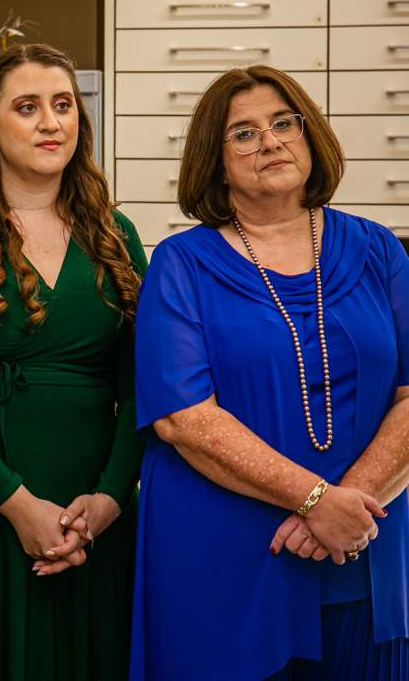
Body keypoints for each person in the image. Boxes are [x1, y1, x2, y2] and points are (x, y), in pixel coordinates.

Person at [132, 65, 409, 680]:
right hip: (227, 554)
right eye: (244, 133)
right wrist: (315, 500)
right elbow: (184, 419)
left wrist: (344, 511)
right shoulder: (181, 264)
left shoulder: (379, 250)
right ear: (214, 161)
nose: (271, 142)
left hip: (363, 542)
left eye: (284, 123)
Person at [0, 43, 147, 680]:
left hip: (93, 509)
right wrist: (15, 503)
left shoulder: (116, 235)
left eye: (63, 105)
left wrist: (109, 499)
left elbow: (143, 386)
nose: (51, 123)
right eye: (27, 107)